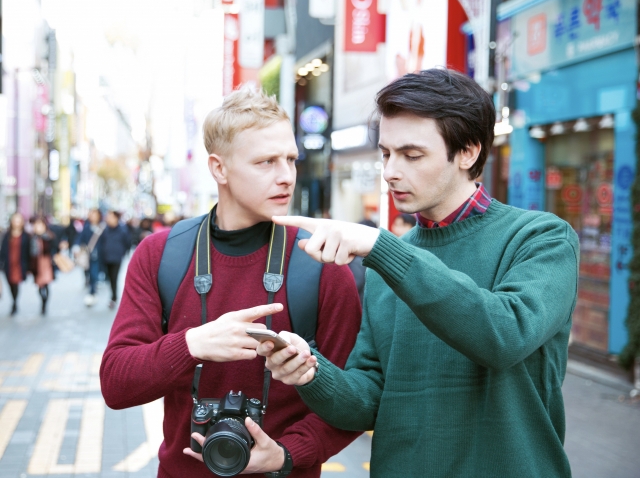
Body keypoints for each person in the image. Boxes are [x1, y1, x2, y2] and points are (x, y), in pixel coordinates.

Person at [258, 69, 580, 477]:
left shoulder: (542, 238)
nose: (391, 171)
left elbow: (504, 335)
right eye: (386, 154)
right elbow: (368, 400)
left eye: (412, 155)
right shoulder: (393, 259)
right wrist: (310, 371)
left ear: (467, 152)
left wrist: (382, 248)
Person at [100, 88, 362, 478]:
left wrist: (288, 453)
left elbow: (356, 397)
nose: (286, 176)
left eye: (290, 159)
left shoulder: (321, 262)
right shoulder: (160, 255)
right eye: (266, 162)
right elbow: (117, 383)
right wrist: (192, 344)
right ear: (219, 168)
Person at [99, 211, 131, 309]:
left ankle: (114, 297)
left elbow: (127, 242)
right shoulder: (104, 229)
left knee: (114, 278)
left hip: (117, 258)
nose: (108, 219)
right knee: (108, 277)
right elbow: (101, 242)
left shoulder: (123, 229)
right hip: (106, 257)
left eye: (111, 217)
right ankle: (113, 296)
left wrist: (123, 252)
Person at [0, 213, 31, 316]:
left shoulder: (26, 236)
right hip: (9, 264)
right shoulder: (7, 235)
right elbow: (3, 250)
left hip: (19, 264)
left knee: (16, 283)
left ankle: (14, 303)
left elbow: (28, 252)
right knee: (10, 284)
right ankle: (14, 300)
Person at [76, 209, 105, 307]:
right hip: (88, 255)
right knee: (88, 273)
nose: (93, 216)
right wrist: (76, 247)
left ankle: (92, 291)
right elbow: (80, 238)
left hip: (98, 255)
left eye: (95, 215)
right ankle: (91, 288)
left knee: (94, 274)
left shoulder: (103, 227)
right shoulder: (87, 227)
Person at [30, 217, 57, 315]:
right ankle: (42, 300)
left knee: (46, 284)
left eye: (40, 225)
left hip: (47, 264)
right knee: (39, 285)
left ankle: (45, 304)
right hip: (36, 265)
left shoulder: (49, 237)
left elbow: (55, 249)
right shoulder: (32, 238)